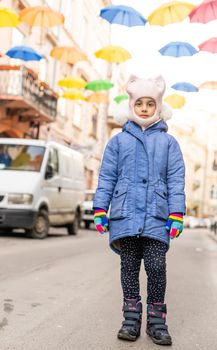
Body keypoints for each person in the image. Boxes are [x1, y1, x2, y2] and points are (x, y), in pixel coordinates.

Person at [93, 75, 186, 346]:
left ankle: (157, 321)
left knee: (157, 267)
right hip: (125, 215)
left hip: (157, 215)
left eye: (150, 104)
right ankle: (130, 318)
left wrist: (176, 213)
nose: (144, 108)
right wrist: (100, 208)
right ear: (131, 106)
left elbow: (176, 179)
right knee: (129, 268)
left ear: (158, 107)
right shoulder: (117, 142)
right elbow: (107, 176)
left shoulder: (169, 143)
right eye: (140, 103)